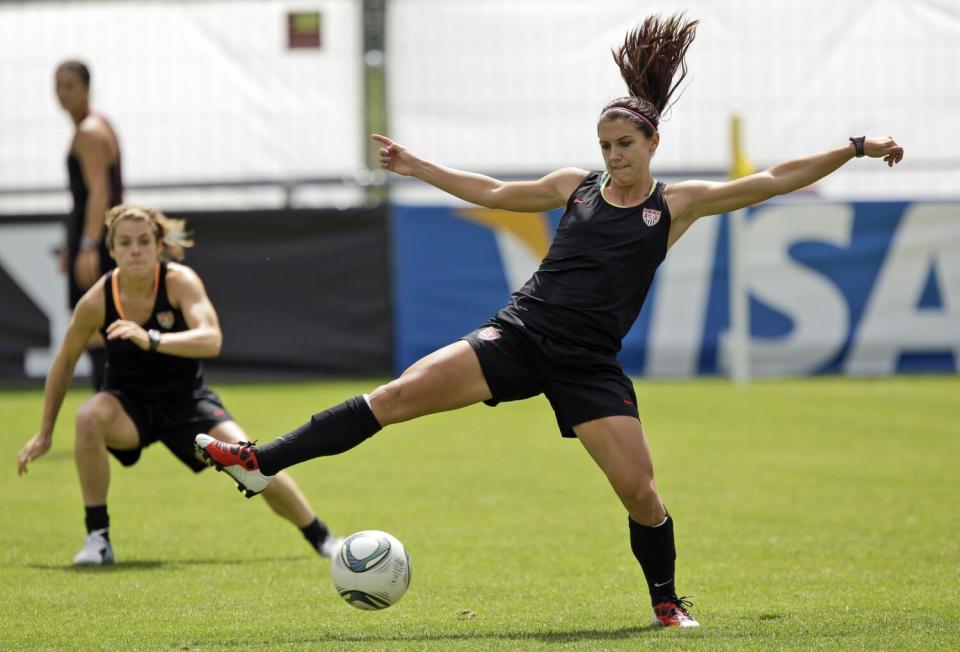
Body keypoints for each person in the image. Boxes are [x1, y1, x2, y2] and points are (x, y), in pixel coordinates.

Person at [195, 14, 903, 627]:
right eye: (605, 145)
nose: (612, 155)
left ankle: (667, 601)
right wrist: (417, 166)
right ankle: (261, 463)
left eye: (623, 144)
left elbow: (773, 179)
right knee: (396, 396)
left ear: (651, 143)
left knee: (641, 495)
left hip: (589, 364)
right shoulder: (577, 188)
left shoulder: (675, 206)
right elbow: (497, 191)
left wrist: (854, 147)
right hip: (519, 336)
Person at [17, 204, 341, 565]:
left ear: (159, 246)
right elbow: (64, 360)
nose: (135, 250)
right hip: (128, 407)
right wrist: (45, 432)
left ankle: (322, 537)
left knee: (252, 460)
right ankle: (98, 538)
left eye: (143, 241)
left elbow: (212, 338)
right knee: (88, 416)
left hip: (187, 404)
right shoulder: (98, 298)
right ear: (112, 250)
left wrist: (151, 339)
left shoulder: (178, 281)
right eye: (125, 243)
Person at [55, 60, 124, 390]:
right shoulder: (90, 128)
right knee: (98, 326)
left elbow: (100, 193)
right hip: (92, 239)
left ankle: (108, 408)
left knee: (98, 328)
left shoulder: (90, 132)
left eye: (69, 85)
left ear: (87, 88)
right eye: (58, 85)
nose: (62, 93)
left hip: (97, 243)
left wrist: (87, 247)